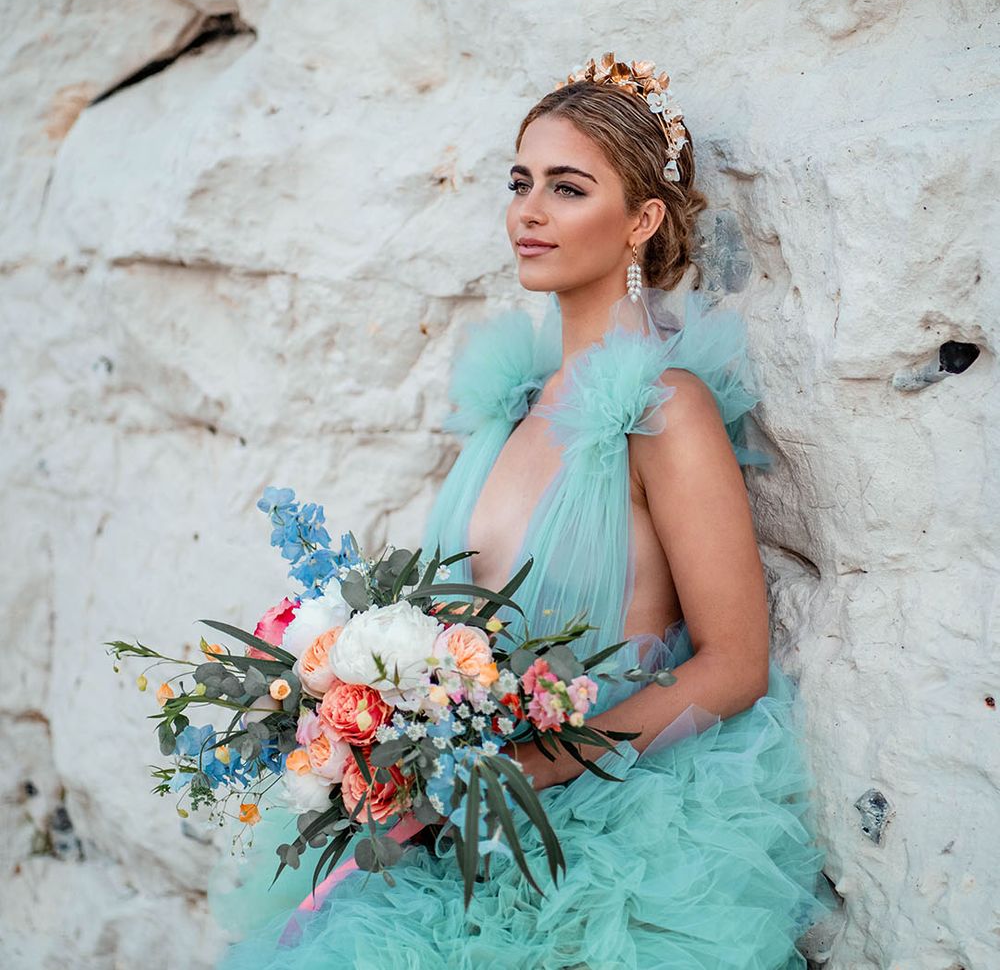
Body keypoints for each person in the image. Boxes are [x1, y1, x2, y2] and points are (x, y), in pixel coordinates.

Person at [211, 53, 837, 969]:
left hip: (606, 827)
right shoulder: (511, 405)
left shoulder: (664, 409)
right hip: (451, 824)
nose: (528, 213)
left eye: (568, 188)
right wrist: (376, 721)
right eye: (520, 183)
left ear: (642, 221)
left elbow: (736, 664)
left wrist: (517, 772)